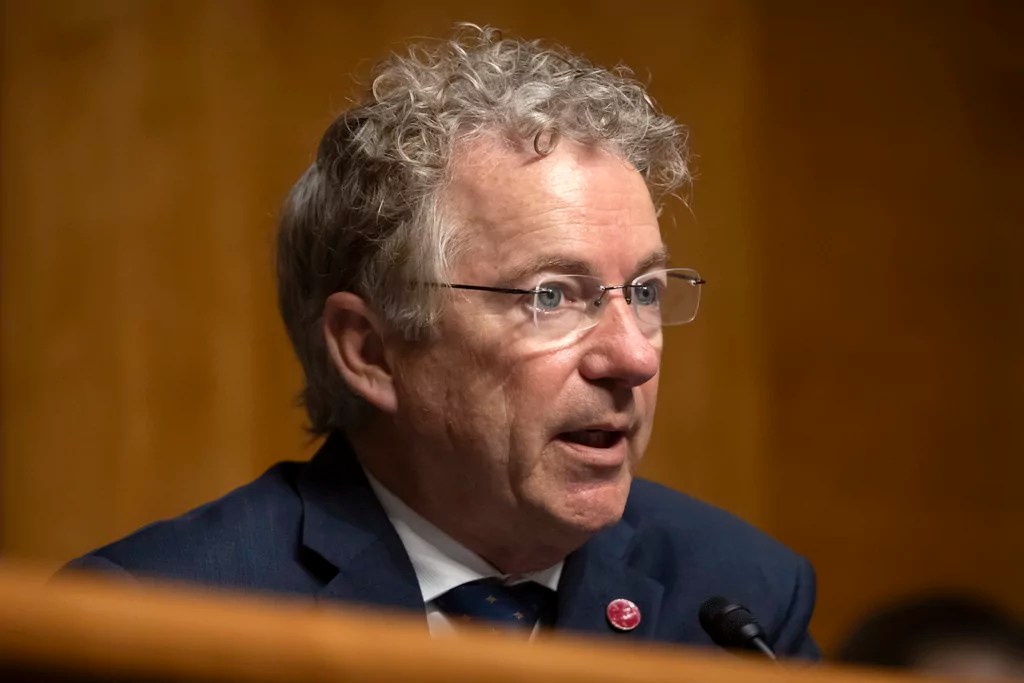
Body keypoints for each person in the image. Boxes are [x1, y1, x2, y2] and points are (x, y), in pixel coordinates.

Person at [65, 25, 818, 657]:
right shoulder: (160, 622)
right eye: (550, 296)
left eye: (645, 292)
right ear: (369, 350)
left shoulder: (736, 600)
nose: (633, 356)